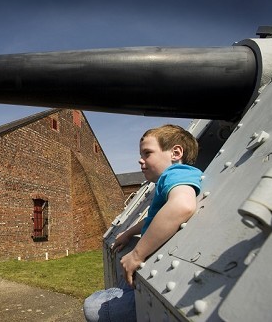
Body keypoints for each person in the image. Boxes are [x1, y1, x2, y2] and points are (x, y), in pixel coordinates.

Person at [83, 124, 202, 322]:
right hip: (140, 271)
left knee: (92, 307)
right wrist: (129, 233)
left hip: (143, 268)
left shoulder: (177, 173)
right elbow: (155, 218)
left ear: (176, 152)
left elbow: (183, 205)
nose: (140, 160)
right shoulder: (171, 179)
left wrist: (137, 255)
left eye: (147, 153)